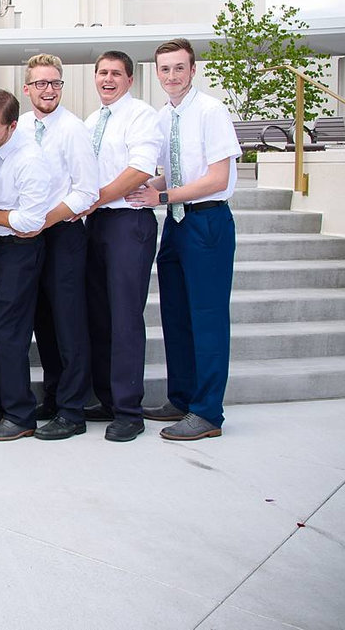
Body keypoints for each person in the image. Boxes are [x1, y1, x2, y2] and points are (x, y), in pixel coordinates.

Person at [126, 38, 240, 440]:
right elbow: (169, 174)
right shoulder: (162, 116)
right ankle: (182, 398)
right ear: (156, 74)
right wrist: (138, 190)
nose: (172, 75)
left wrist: (161, 195)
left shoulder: (211, 111)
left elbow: (216, 179)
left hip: (207, 223)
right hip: (175, 222)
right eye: (165, 69)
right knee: (176, 315)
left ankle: (207, 413)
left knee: (207, 318)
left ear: (193, 71)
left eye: (179, 68)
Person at [0, 90, 65, 441]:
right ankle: (3, 405)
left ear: (12, 126)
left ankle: (20, 415)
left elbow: (32, 221)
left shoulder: (30, 160)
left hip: (19, 250)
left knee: (8, 333)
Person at [80, 51, 163, 442]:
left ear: (130, 79)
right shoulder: (92, 121)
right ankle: (108, 399)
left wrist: (96, 198)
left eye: (116, 74)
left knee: (125, 317)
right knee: (99, 315)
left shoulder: (141, 115)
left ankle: (129, 410)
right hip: (94, 224)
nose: (108, 79)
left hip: (127, 223)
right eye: (102, 73)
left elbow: (141, 168)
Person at [23, 53, 100, 440]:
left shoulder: (73, 129)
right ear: (27, 88)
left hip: (64, 233)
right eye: (41, 83)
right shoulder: (19, 127)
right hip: (29, 237)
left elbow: (87, 190)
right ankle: (52, 398)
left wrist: (44, 220)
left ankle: (73, 410)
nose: (48, 90)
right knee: (43, 321)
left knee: (69, 323)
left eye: (55, 83)